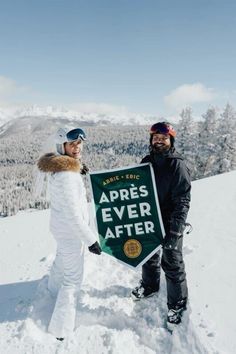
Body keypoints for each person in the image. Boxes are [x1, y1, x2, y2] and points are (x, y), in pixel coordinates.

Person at [37, 127, 101, 340]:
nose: (77, 147)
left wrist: (78, 168)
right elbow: (74, 216)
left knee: (62, 262)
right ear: (61, 146)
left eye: (79, 143)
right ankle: (61, 328)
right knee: (73, 279)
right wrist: (91, 240)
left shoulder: (64, 169)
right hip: (71, 232)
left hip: (62, 229)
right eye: (71, 144)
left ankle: (52, 291)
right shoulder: (67, 176)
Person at [131, 122, 191, 329]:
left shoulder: (177, 165)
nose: (159, 140)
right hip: (149, 218)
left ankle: (177, 305)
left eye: (164, 138)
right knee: (148, 255)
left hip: (170, 221)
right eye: (155, 137)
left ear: (170, 141)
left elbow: (183, 199)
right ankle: (149, 286)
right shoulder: (147, 161)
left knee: (172, 262)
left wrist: (175, 229)